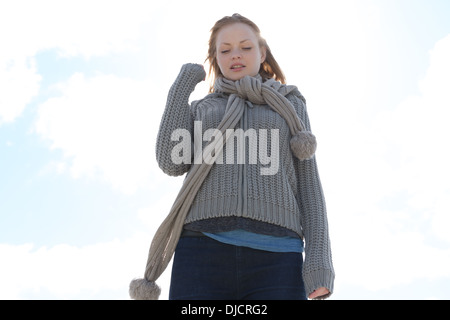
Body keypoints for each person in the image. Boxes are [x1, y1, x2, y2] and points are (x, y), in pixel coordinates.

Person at [130, 13, 334, 300]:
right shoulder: (203, 109)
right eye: (224, 50)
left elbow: (309, 185)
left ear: (262, 52)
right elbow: (171, 161)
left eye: (245, 47)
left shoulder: (290, 103)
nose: (235, 55)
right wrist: (181, 89)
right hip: (201, 251)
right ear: (215, 58)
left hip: (278, 255)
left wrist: (319, 264)